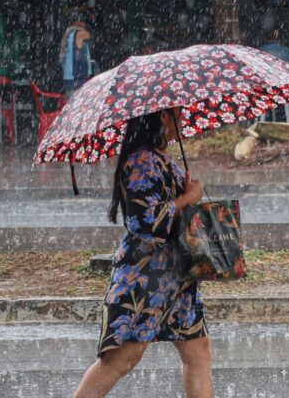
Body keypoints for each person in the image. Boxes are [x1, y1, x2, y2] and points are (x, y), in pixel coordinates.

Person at [72, 108, 213, 398]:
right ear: (163, 117)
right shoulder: (139, 162)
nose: (184, 118)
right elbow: (145, 222)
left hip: (176, 276)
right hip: (144, 278)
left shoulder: (162, 159)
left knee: (198, 350)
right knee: (121, 359)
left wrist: (187, 193)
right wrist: (189, 197)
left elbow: (173, 211)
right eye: (178, 113)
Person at [259, 29, 289, 123]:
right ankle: (286, 121)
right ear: (279, 37)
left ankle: (264, 122)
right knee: (286, 103)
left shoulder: (259, 51)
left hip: (264, 90)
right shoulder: (287, 51)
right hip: (283, 89)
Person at [59, 11, 95, 96]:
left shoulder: (68, 33)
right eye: (84, 22)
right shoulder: (80, 33)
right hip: (77, 78)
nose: (85, 25)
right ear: (79, 23)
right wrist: (92, 22)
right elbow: (93, 36)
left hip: (69, 77)